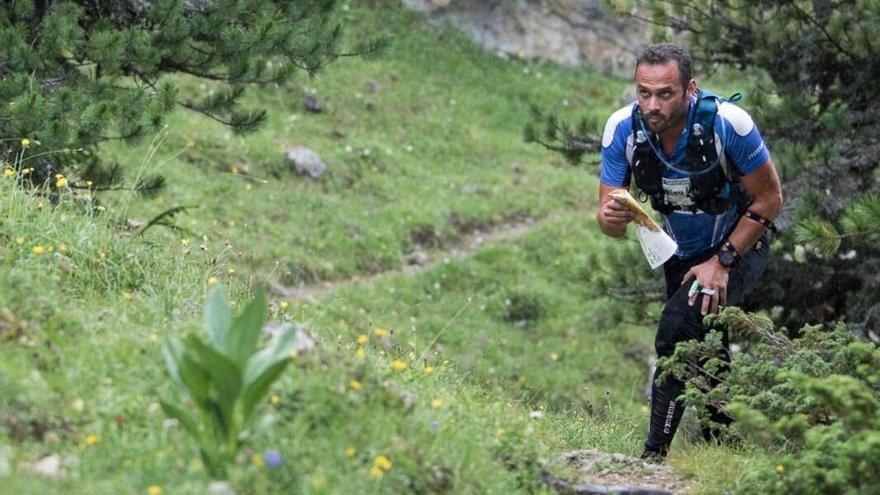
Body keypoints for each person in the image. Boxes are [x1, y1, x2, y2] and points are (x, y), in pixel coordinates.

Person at [596, 43, 783, 461]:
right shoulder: (622, 130)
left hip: (740, 245)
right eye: (644, 92)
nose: (652, 104)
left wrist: (721, 263)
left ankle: (652, 456)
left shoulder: (729, 125)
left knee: (675, 332)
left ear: (690, 89)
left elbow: (770, 198)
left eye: (665, 93)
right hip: (680, 252)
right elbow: (607, 221)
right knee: (705, 344)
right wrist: (611, 218)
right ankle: (724, 447)